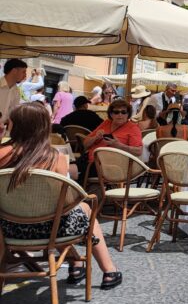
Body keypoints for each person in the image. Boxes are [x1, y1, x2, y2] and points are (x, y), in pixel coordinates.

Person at [0, 103, 122, 289]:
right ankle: (108, 270)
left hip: (8, 230)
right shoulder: (54, 158)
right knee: (82, 210)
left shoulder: (1, 154)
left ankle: (75, 263)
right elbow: (64, 204)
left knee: (55, 214)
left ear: (13, 125)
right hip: (50, 230)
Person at [83, 99, 143, 164]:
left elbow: (138, 151)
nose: (120, 115)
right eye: (116, 112)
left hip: (107, 165)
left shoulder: (133, 128)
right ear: (111, 114)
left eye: (123, 112)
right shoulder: (107, 122)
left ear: (128, 114)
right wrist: (95, 137)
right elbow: (85, 144)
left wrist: (119, 145)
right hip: (90, 157)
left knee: (71, 170)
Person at [1, 59, 27, 135]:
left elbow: (12, 114)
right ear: (14, 71)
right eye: (23, 72)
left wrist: (8, 133)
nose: (25, 76)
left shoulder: (16, 91)